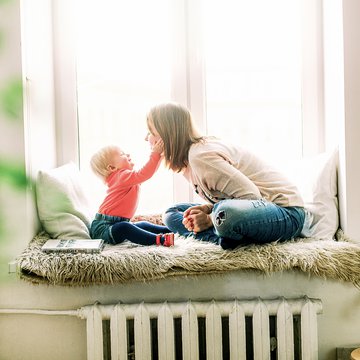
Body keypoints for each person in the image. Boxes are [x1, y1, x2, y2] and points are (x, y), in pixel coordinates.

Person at [145, 102, 311, 249]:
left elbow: (252, 197)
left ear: (167, 135)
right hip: (254, 209)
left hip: (286, 213)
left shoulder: (200, 156)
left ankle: (220, 233)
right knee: (172, 213)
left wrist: (209, 217)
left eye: (151, 132)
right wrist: (207, 209)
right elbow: (233, 198)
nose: (146, 138)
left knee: (223, 215)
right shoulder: (189, 161)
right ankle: (224, 239)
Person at [89, 142, 174, 247]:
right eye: (122, 154)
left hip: (116, 223)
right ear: (112, 168)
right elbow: (145, 173)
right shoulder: (121, 176)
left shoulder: (127, 178)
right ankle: (160, 240)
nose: (128, 154)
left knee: (142, 224)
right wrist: (155, 154)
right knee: (125, 228)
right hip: (103, 228)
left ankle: (170, 230)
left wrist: (160, 157)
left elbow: (147, 174)